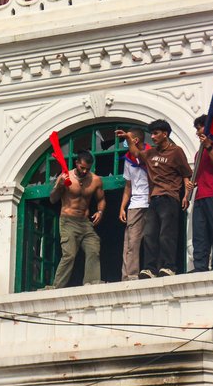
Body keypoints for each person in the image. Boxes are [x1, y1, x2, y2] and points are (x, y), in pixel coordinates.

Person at [117, 120, 192, 278]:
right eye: (151, 133)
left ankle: (169, 266)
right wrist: (129, 139)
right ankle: (149, 269)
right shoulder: (151, 153)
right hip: (154, 198)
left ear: (165, 134)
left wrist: (186, 195)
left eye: (156, 133)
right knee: (150, 234)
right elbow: (136, 153)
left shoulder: (176, 151)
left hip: (170, 196)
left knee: (166, 234)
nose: (153, 136)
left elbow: (186, 174)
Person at [49, 150, 106, 288]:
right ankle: (57, 286)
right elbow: (53, 199)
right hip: (68, 220)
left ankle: (91, 282)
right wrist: (59, 185)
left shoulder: (95, 180)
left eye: (88, 168)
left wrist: (100, 211)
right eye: (82, 168)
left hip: (85, 222)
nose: (85, 171)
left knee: (94, 249)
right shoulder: (66, 177)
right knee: (69, 254)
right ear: (76, 163)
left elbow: (101, 199)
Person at [186, 114, 213, 272]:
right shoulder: (199, 154)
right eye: (197, 129)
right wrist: (188, 190)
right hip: (200, 196)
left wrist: (209, 147)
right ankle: (200, 266)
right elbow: (196, 178)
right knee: (199, 234)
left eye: (200, 128)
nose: (198, 132)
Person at [119, 127, 150, 280]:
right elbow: (128, 186)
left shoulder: (151, 154)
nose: (124, 141)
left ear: (135, 140)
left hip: (151, 202)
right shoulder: (128, 159)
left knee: (153, 239)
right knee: (131, 242)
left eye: (127, 138)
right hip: (135, 205)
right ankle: (130, 276)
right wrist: (122, 208)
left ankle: (153, 271)